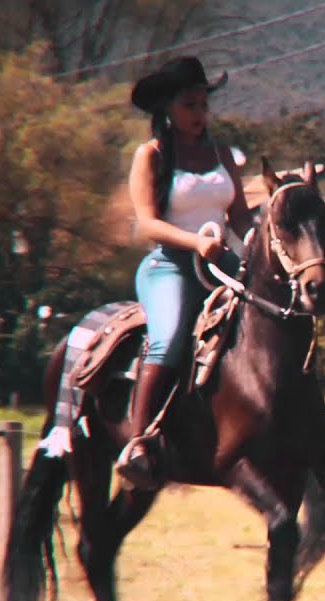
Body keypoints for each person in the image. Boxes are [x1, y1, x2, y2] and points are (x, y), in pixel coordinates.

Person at [118, 56, 251, 489]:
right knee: (171, 337)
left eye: (203, 105)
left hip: (224, 264)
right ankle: (137, 442)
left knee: (275, 317)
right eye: (191, 105)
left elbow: (242, 218)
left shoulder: (222, 154)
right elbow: (147, 223)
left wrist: (262, 251)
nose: (200, 114)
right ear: (168, 110)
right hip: (170, 265)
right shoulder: (152, 155)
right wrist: (197, 243)